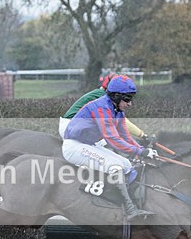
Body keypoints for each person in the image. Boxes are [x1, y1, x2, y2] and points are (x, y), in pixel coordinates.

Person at [62, 74, 157, 219]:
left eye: (131, 99)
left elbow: (125, 136)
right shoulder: (101, 108)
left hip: (88, 144)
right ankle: (130, 210)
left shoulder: (118, 111)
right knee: (115, 167)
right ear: (116, 96)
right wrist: (140, 151)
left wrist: (143, 151)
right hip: (74, 147)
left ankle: (120, 200)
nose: (130, 103)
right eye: (127, 99)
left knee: (126, 164)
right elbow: (112, 139)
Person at [59, 71, 148, 140]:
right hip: (70, 126)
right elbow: (123, 122)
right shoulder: (103, 97)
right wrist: (142, 135)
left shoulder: (103, 95)